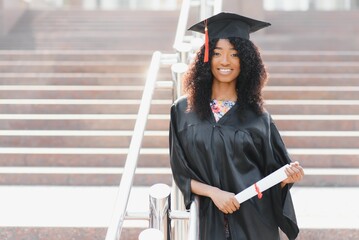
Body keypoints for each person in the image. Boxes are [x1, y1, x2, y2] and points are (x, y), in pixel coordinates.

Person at [169, 12, 305, 240]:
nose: (225, 61)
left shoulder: (258, 117)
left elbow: (273, 174)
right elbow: (181, 173)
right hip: (208, 218)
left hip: (254, 221)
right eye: (217, 53)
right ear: (206, 58)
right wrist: (213, 193)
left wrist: (287, 178)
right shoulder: (183, 111)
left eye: (234, 54)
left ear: (246, 61)